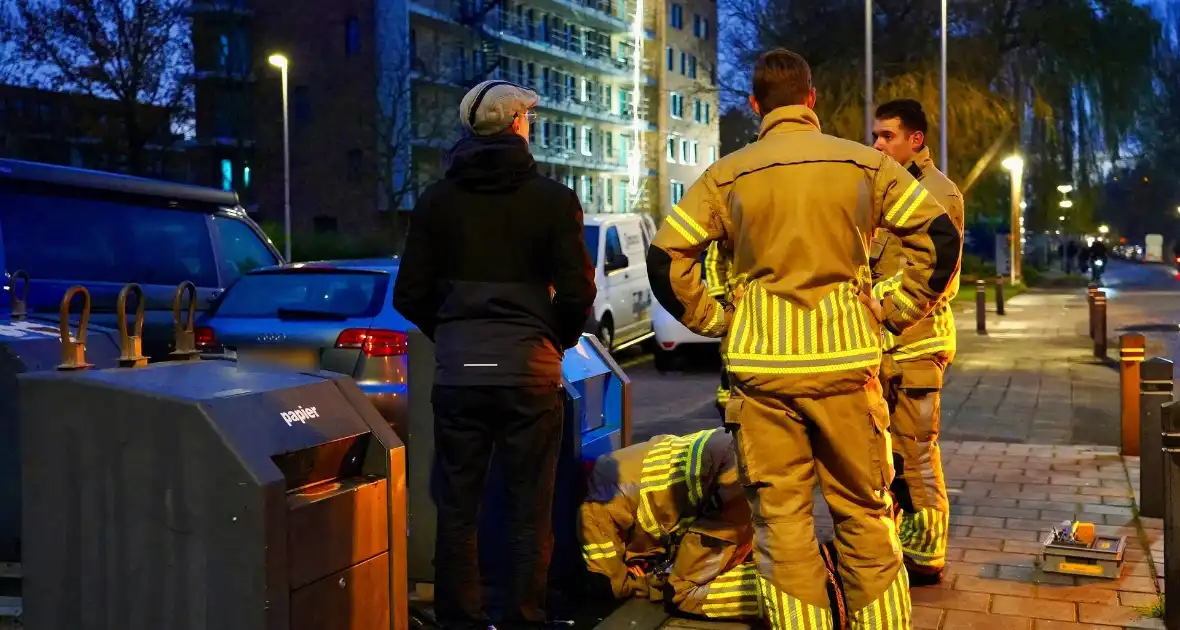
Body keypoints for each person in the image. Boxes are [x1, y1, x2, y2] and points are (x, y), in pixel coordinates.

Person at [646, 48, 961, 629]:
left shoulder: (727, 174)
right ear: (811, 99)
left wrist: (717, 319)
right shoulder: (862, 165)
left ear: (755, 104)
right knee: (865, 514)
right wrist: (892, 310)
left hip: (763, 379)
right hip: (846, 369)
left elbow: (667, 256)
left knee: (782, 523)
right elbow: (936, 236)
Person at [392, 79, 597, 630]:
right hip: (530, 375)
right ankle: (524, 617)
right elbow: (578, 291)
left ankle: (461, 619)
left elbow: (408, 294)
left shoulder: (437, 202)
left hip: (461, 377)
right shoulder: (552, 200)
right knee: (530, 512)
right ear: (515, 126)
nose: (529, 125)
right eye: (527, 118)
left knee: (459, 510)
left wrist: (456, 334)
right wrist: (550, 337)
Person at [578, 429, 847, 624]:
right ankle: (816, 569)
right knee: (750, 555)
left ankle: (808, 593)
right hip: (753, 463)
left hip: (733, 491)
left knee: (683, 592)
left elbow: (611, 585)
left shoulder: (596, 512)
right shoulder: (623, 471)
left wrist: (649, 582)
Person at [869, 98, 965, 585]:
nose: (878, 144)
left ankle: (926, 554)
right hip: (886, 349)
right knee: (890, 453)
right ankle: (900, 540)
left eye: (887, 136)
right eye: (876, 136)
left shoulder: (936, 194)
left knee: (916, 451)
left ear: (916, 140)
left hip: (917, 346)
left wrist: (877, 307)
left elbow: (936, 277)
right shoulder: (888, 191)